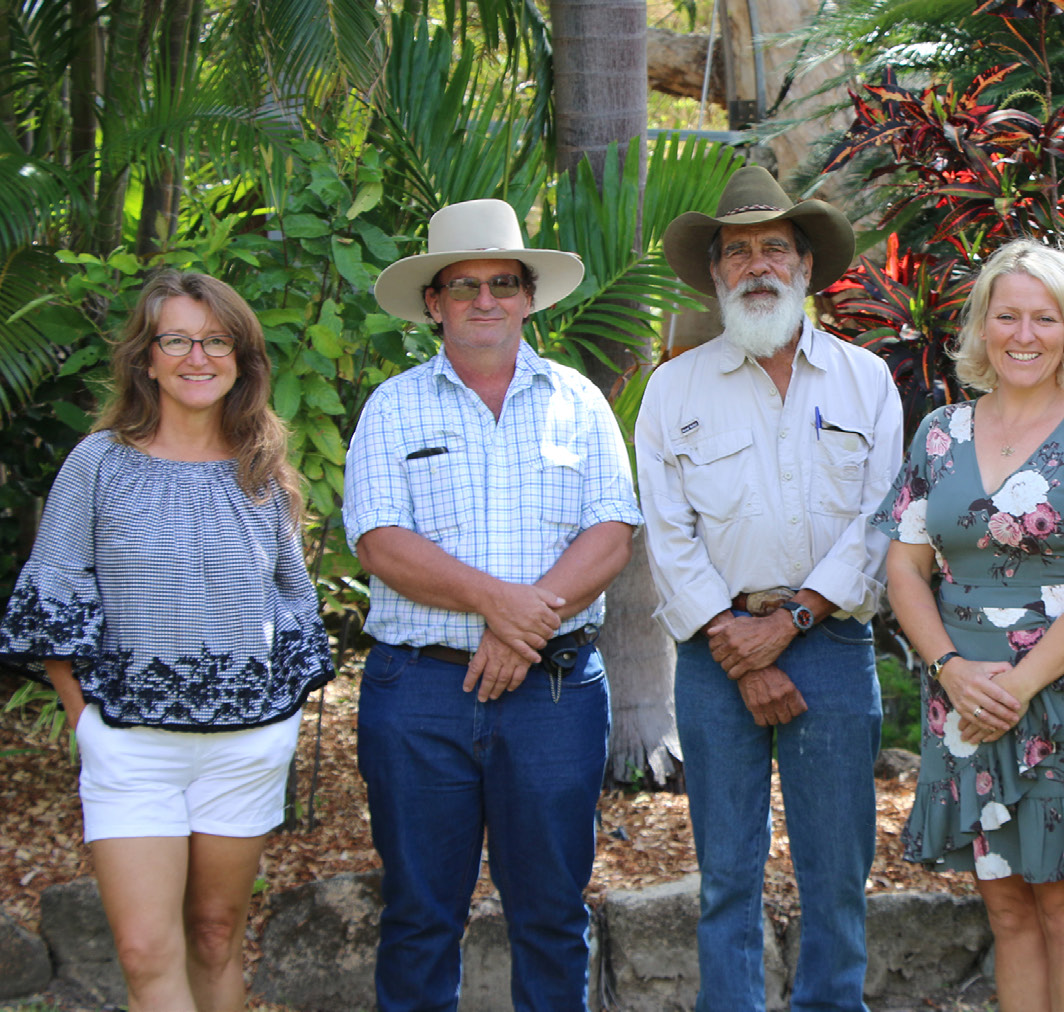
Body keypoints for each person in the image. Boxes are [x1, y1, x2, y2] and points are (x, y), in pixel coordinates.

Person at [0, 271, 333, 1010]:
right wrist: (85, 723)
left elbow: (293, 605)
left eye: (216, 340)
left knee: (215, 934)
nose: (197, 356)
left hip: (244, 750)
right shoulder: (98, 463)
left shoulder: (262, 470)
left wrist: (279, 723)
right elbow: (54, 591)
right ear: (145, 358)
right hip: (131, 750)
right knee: (146, 952)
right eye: (176, 339)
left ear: (241, 359)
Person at [346, 198, 641, 1010]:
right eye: (464, 284)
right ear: (434, 303)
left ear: (528, 296)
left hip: (553, 693)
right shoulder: (392, 407)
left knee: (550, 915)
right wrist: (502, 608)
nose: (485, 299)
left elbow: (612, 534)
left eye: (503, 282)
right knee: (417, 915)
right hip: (420, 696)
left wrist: (524, 628)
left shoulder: (578, 402)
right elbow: (379, 542)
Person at [875, 239, 1064, 1012]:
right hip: (963, 696)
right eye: (1006, 315)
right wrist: (949, 670)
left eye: (1044, 318)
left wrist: (1019, 684)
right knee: (1006, 905)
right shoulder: (939, 432)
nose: (1023, 334)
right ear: (981, 327)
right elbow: (905, 570)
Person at [638, 165, 902, 1011]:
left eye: (775, 248)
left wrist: (790, 622)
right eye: (738, 250)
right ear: (715, 273)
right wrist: (739, 646)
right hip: (715, 651)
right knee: (725, 874)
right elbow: (666, 530)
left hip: (830, 645)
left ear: (805, 267)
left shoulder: (866, 381)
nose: (758, 265)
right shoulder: (673, 387)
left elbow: (880, 520)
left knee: (835, 874)